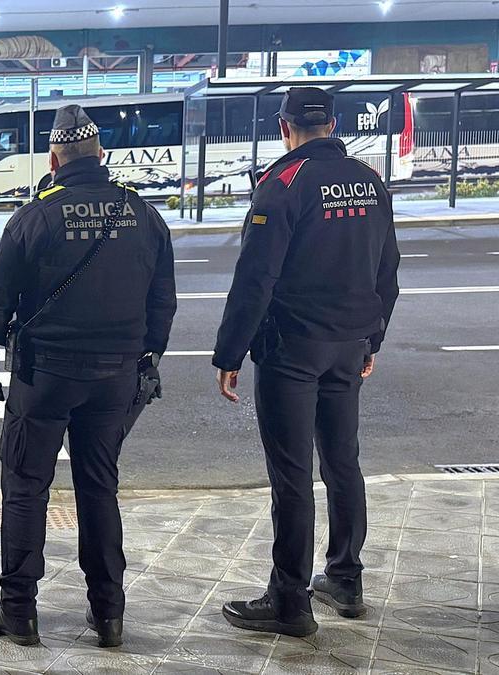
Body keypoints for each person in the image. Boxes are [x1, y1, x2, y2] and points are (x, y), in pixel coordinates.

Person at [0, 105, 177, 648]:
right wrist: (146, 359)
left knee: (25, 488)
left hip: (45, 376)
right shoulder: (142, 213)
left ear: (55, 158)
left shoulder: (33, 217)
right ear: (101, 155)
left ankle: (19, 612)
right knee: (98, 487)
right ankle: (108, 613)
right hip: (115, 379)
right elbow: (163, 303)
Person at [213, 87, 400, 637]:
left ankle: (290, 600)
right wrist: (372, 340)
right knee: (343, 463)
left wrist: (230, 352)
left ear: (284, 128)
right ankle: (345, 577)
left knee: (292, 475)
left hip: (292, 350)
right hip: (348, 346)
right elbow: (387, 268)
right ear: (334, 124)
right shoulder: (369, 180)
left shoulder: (283, 184)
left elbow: (255, 278)